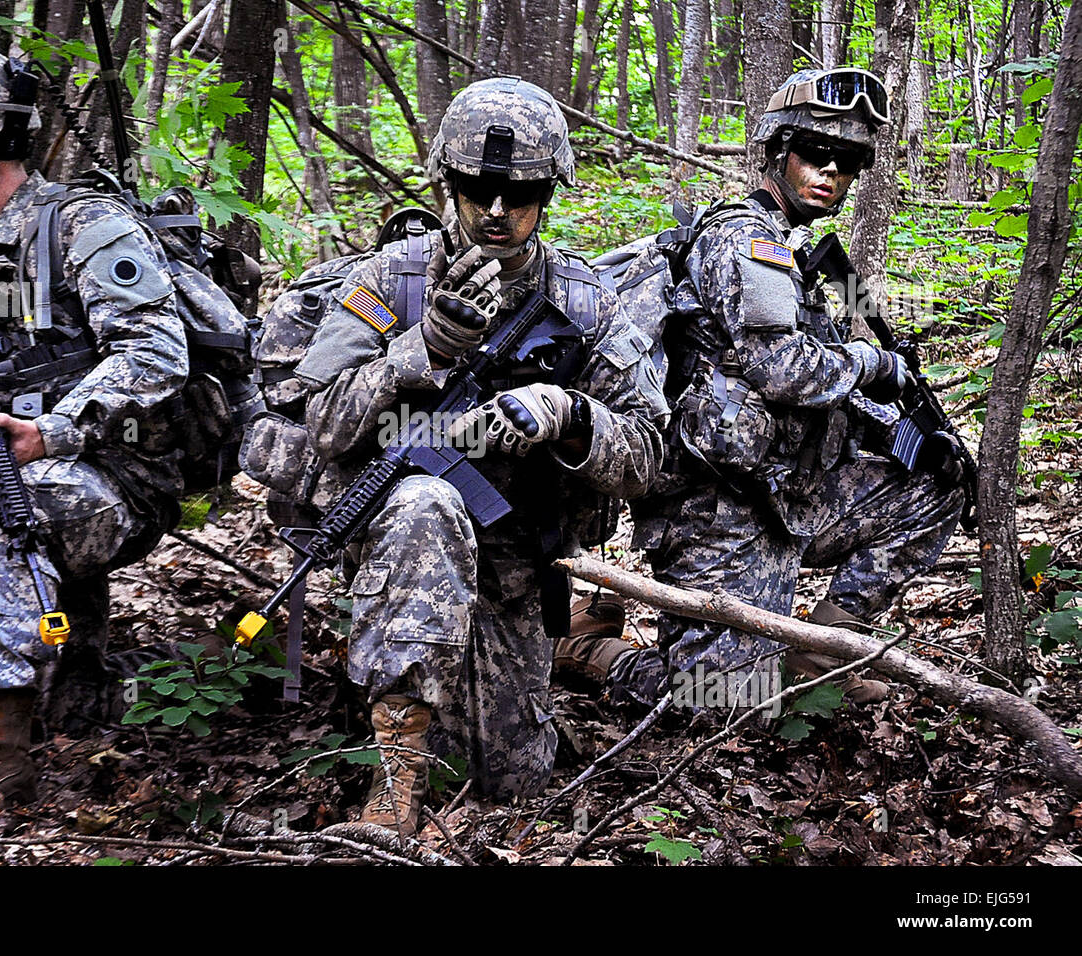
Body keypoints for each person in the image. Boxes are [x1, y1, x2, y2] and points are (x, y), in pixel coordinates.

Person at [291, 76, 667, 836]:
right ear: (446, 184)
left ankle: (572, 648)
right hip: (398, 547)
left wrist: (569, 417)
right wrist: (418, 349)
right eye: (476, 188)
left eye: (519, 192)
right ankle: (391, 789)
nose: (496, 211)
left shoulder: (586, 299)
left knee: (510, 780)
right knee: (425, 502)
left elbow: (649, 452)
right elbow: (322, 422)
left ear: (548, 192)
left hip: (515, 564)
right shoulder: (390, 280)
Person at [557, 68, 964, 712]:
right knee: (721, 700)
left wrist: (885, 412)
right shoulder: (745, 238)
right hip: (715, 506)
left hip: (787, 487)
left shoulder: (799, 252)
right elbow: (781, 368)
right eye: (815, 152)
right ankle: (595, 650)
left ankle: (817, 656)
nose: (831, 170)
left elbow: (808, 374)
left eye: (849, 159)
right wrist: (871, 365)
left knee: (938, 480)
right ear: (778, 152)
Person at [0, 47, 189, 818]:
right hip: (25, 471)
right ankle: (72, 694)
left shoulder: (83, 226)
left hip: (121, 485)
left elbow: (156, 353)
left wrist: (48, 433)